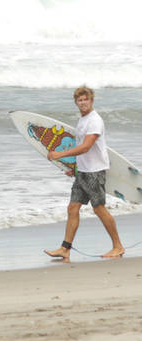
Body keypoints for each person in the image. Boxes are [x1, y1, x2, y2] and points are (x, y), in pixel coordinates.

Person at [43, 86, 125, 261]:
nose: (83, 103)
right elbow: (82, 150)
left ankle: (117, 246)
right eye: (79, 100)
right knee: (73, 208)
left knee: (99, 209)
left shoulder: (94, 120)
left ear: (91, 100)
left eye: (85, 99)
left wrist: (59, 154)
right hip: (83, 172)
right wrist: (74, 168)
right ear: (76, 103)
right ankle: (65, 249)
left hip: (95, 172)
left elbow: (86, 146)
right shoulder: (82, 120)